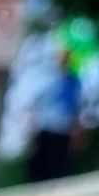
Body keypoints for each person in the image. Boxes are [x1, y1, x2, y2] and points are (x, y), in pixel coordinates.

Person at [28, 51, 82, 183]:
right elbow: (35, 104)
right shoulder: (47, 79)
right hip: (46, 128)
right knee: (42, 167)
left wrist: (77, 130)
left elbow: (76, 107)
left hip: (63, 129)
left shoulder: (73, 81)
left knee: (58, 167)